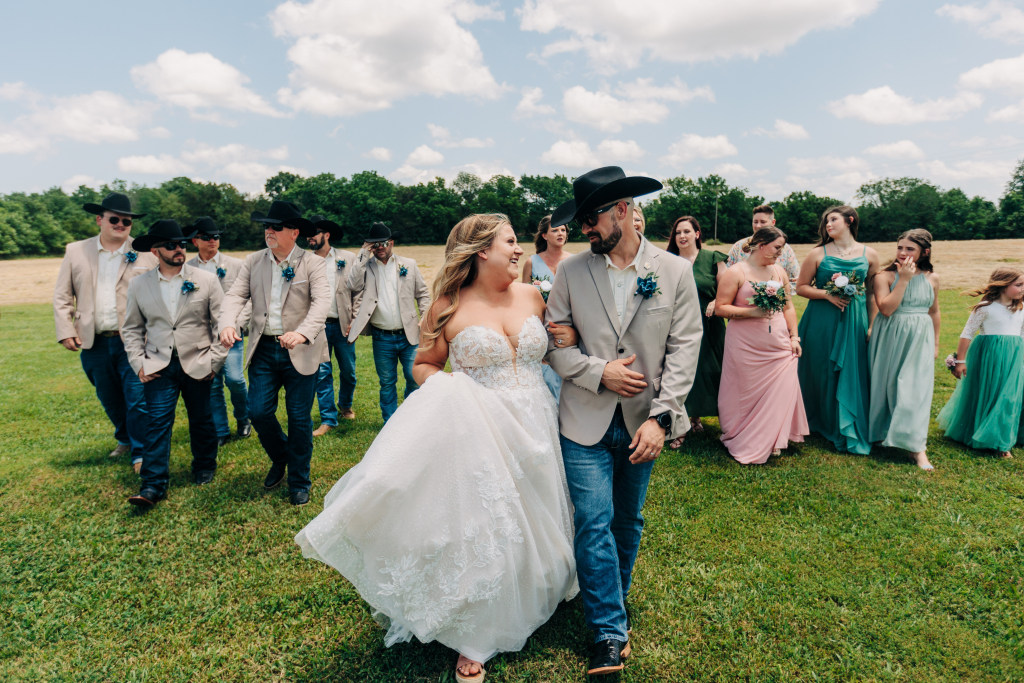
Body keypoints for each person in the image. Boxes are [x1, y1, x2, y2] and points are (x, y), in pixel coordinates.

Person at [296, 214, 579, 683]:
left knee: (541, 508)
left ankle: (538, 585)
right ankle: (479, 631)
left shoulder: (533, 296)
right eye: (510, 242)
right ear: (481, 251)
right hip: (478, 423)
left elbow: (552, 351)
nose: (518, 250)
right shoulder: (446, 305)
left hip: (538, 419)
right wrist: (454, 392)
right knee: (490, 521)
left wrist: (566, 340)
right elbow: (424, 366)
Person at [546, 166, 703, 676]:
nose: (582, 230)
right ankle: (610, 631)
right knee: (592, 523)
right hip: (582, 419)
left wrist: (662, 419)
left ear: (622, 211)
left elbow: (684, 349)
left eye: (589, 219)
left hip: (644, 422)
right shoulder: (569, 273)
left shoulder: (674, 271)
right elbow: (554, 344)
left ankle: (610, 597)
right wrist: (599, 372)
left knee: (626, 522)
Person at [219, 201, 330, 506]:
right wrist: (228, 323)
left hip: (302, 350)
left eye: (276, 227)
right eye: (266, 226)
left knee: (298, 418)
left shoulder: (313, 264)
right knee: (258, 412)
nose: (269, 231)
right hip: (264, 350)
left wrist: (302, 332)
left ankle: (299, 481)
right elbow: (235, 296)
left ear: (294, 232)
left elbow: (321, 303)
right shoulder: (253, 262)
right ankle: (282, 456)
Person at [122, 220, 226, 507]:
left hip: (199, 361)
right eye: (171, 245)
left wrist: (214, 362)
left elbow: (222, 324)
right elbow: (130, 328)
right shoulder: (139, 285)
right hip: (158, 365)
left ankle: (204, 465)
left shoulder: (205, 279)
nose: (179, 249)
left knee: (202, 420)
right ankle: (153, 486)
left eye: (181, 243)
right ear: (155, 251)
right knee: (156, 424)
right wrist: (138, 363)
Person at [53, 192, 156, 472]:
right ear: (100, 220)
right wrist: (65, 329)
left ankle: (141, 454)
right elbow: (63, 296)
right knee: (108, 396)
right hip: (94, 340)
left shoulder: (145, 252)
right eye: (114, 219)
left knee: (137, 398)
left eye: (127, 221)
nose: (121, 224)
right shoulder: (76, 251)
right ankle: (124, 438)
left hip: (135, 342)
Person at [714, 227, 807, 464]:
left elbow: (788, 307)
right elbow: (721, 308)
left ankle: (773, 437)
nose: (780, 253)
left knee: (781, 388)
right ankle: (742, 434)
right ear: (761, 244)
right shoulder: (736, 272)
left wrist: (794, 337)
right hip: (744, 343)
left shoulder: (779, 271)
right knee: (743, 390)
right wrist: (753, 311)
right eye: (777, 248)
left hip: (777, 342)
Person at [795, 205, 879, 455]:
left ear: (850, 220)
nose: (827, 225)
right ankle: (815, 421)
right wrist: (827, 295)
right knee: (819, 370)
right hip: (821, 319)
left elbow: (873, 293)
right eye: (826, 222)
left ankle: (845, 424)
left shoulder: (870, 255)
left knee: (852, 370)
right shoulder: (817, 254)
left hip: (855, 320)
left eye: (833, 220)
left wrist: (873, 323)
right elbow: (800, 287)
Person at [867, 230, 941, 470]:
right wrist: (905, 279)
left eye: (910, 249)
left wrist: (936, 342)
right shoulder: (884, 276)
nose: (902, 253)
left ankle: (917, 448)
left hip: (920, 336)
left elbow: (934, 311)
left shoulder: (933, 278)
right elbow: (886, 309)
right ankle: (881, 434)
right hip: (891, 334)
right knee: (886, 385)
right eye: (900, 247)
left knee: (916, 389)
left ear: (924, 252)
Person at [347, 222, 430, 423]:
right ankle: (390, 423)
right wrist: (362, 253)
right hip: (382, 337)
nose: (380, 247)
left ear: (391, 243)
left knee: (413, 377)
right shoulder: (366, 268)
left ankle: (410, 418)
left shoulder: (408, 264)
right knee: (387, 382)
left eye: (383, 243)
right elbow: (352, 284)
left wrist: (425, 317)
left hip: (409, 334)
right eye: (375, 244)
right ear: (370, 246)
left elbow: (423, 294)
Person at [937, 267, 1024, 458]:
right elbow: (967, 333)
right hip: (989, 357)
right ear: (1002, 285)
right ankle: (992, 439)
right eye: (1018, 285)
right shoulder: (986, 308)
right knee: (990, 393)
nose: (1022, 288)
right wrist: (960, 360)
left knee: (1010, 396)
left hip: (1015, 357)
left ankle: (1006, 437)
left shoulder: (1021, 308)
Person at [186, 216, 252, 446]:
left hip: (231, 333)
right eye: (207, 237)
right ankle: (221, 430)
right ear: (195, 241)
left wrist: (238, 324)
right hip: (203, 337)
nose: (213, 240)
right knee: (211, 383)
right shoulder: (187, 269)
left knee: (234, 379)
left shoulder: (235, 265)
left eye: (216, 236)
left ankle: (244, 418)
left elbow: (249, 298)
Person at [665, 215, 727, 446]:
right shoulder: (669, 261)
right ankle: (680, 426)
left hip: (710, 324)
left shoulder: (712, 258)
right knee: (682, 371)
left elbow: (726, 287)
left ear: (697, 234)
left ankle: (723, 422)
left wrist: (717, 302)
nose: (682, 236)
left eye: (687, 232)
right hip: (680, 325)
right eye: (678, 232)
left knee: (713, 372)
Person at [306, 216, 361, 435]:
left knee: (349, 371)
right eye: (308, 234)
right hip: (318, 326)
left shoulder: (347, 258)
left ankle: (345, 405)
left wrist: (355, 320)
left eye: (314, 233)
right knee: (322, 373)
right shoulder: (304, 262)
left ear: (326, 235)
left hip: (343, 325)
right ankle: (328, 419)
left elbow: (359, 290)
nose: (309, 238)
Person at [522, 214, 572, 399]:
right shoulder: (531, 262)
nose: (560, 233)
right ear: (544, 235)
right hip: (540, 324)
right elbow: (524, 298)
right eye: (555, 230)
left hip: (567, 325)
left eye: (563, 230)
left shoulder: (574, 261)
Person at [726, 205, 799, 294]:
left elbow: (795, 280)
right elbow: (726, 274)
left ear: (773, 222)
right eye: (755, 222)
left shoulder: (786, 249)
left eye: (763, 222)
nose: (758, 225)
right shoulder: (738, 247)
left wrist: (776, 294)